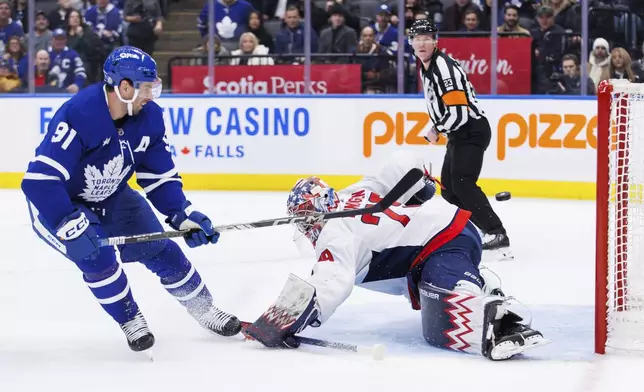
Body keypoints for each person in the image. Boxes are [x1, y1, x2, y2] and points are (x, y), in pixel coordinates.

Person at [21, 46, 241, 353]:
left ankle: (205, 309)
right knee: (96, 257)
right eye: (147, 87)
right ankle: (130, 319)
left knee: (161, 248)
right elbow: (40, 182)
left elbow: (159, 173)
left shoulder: (150, 116)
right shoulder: (79, 113)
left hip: (113, 194)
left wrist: (180, 212)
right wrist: (65, 221)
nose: (151, 95)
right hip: (64, 205)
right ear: (124, 87)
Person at [243, 152, 548, 361]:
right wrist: (421, 184)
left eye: (307, 216)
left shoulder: (334, 236)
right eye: (301, 218)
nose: (305, 225)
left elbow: (330, 283)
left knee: (441, 308)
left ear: (321, 209)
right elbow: (398, 165)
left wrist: (285, 323)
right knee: (430, 294)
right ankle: (486, 287)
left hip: (442, 240)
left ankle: (502, 322)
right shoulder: (352, 194)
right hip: (443, 235)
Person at [408, 19, 511, 259]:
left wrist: (437, 128)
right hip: (459, 131)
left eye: (427, 38)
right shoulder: (427, 66)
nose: (422, 43)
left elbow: (459, 112)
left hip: (471, 129)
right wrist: (439, 126)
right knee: (450, 190)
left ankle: (497, 233)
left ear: (436, 41)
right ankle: (480, 230)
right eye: (417, 38)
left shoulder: (443, 67)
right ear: (411, 43)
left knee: (463, 182)